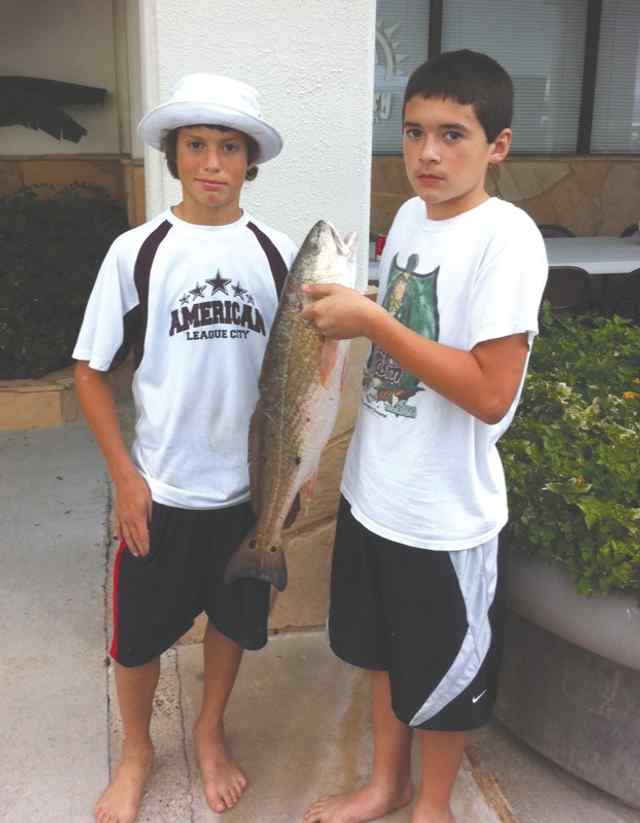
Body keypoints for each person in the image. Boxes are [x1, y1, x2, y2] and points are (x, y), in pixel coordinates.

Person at [302, 50, 548, 823]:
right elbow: (410, 335)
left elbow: (488, 390)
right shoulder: (409, 216)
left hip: (448, 516)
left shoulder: (507, 240)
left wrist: (371, 318)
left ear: (497, 146)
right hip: (377, 492)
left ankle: (431, 804)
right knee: (382, 652)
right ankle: (386, 784)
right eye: (413, 133)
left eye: (453, 135)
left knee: (444, 675)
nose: (428, 154)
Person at [72, 73, 297, 823]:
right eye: (196, 145)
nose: (211, 162)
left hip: (246, 493)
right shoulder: (138, 251)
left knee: (231, 621)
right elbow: (90, 370)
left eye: (228, 147)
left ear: (249, 160)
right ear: (173, 155)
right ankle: (137, 749)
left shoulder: (276, 253)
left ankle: (208, 730)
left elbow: (302, 370)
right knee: (135, 641)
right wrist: (125, 478)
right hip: (160, 493)